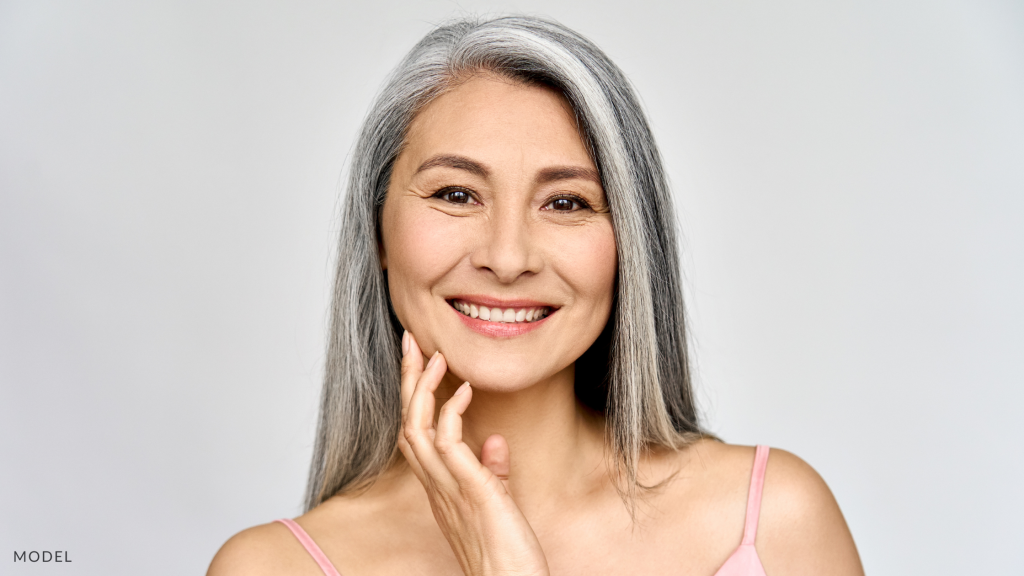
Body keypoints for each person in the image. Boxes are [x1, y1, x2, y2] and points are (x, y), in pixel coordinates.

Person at [208, 15, 863, 576]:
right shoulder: (274, 567)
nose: (508, 257)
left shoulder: (774, 522)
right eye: (456, 194)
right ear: (378, 229)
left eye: (566, 202)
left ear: (630, 242)